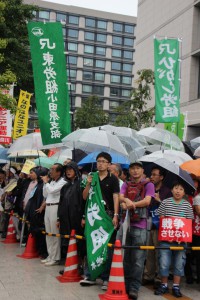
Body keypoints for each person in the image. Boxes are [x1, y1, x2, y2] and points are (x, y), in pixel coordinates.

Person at [80, 152, 120, 291]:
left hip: (107, 218)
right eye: (98, 161)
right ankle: (90, 275)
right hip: (93, 219)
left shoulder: (113, 179)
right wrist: (88, 184)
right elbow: (85, 197)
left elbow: (116, 198)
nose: (100, 163)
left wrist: (115, 215)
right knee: (92, 246)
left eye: (103, 161)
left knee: (106, 248)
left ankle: (105, 278)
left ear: (109, 164)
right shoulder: (91, 177)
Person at [119, 161, 155, 300]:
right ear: (129, 171)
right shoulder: (126, 184)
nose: (135, 171)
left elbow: (147, 201)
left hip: (141, 226)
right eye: (132, 168)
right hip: (126, 224)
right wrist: (127, 202)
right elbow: (121, 198)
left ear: (142, 170)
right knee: (126, 258)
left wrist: (131, 204)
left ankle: (134, 288)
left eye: (138, 168)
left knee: (138, 259)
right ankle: (126, 284)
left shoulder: (149, 185)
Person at [155, 181, 194, 297]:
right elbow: (162, 221)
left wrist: (180, 237)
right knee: (163, 263)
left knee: (179, 263)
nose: (178, 191)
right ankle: (164, 285)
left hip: (181, 241)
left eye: (181, 189)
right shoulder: (165, 203)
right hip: (166, 241)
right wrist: (169, 235)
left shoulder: (187, 205)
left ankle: (176, 286)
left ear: (184, 192)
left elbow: (189, 223)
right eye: (176, 188)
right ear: (171, 190)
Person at [143, 167, 172, 286]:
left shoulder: (167, 191)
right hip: (147, 223)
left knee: (159, 253)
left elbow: (170, 209)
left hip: (160, 226)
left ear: (161, 177)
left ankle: (159, 278)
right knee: (148, 252)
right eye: (152, 174)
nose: (152, 177)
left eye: (155, 175)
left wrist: (160, 201)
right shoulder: (148, 187)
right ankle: (148, 275)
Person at [57, 161, 84, 273]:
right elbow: (61, 202)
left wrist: (84, 216)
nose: (68, 172)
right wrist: (58, 218)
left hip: (76, 219)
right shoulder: (65, 186)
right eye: (66, 170)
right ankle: (69, 265)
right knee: (67, 242)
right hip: (65, 219)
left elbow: (84, 201)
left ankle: (80, 266)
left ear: (76, 171)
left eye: (70, 169)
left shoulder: (81, 184)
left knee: (78, 242)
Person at [41, 163, 66, 266]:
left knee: (54, 233)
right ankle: (50, 255)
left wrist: (46, 183)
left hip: (56, 207)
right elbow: (45, 194)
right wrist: (46, 183)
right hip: (48, 206)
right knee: (48, 232)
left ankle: (55, 258)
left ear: (59, 172)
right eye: (50, 169)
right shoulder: (51, 182)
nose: (50, 171)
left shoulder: (63, 182)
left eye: (53, 169)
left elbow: (52, 190)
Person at [24, 167, 48, 258]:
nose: (31, 174)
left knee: (40, 231)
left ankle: (43, 252)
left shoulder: (44, 184)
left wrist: (42, 206)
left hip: (39, 211)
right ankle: (38, 249)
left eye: (34, 172)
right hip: (33, 209)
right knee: (35, 230)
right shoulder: (38, 184)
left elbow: (45, 197)